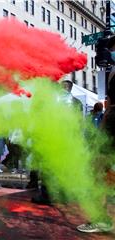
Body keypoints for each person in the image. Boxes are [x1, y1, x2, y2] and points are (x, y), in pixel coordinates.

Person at [77, 79, 115, 233]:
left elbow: (103, 141)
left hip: (107, 156)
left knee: (97, 185)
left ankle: (101, 220)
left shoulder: (111, 114)